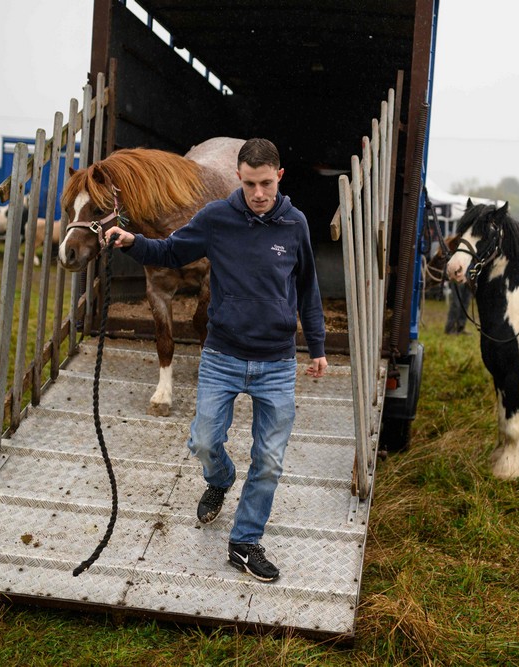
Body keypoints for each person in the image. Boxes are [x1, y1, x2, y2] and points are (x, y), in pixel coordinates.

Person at [105, 138, 328, 583]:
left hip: (276, 362)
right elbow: (170, 252)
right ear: (239, 178)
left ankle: (245, 543)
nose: (259, 193)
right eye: (250, 184)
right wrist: (133, 243)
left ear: (279, 177)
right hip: (222, 355)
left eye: (266, 183)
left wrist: (318, 346)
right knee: (204, 442)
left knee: (268, 460)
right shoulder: (216, 217)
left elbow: (307, 288)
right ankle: (220, 478)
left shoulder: (295, 224)